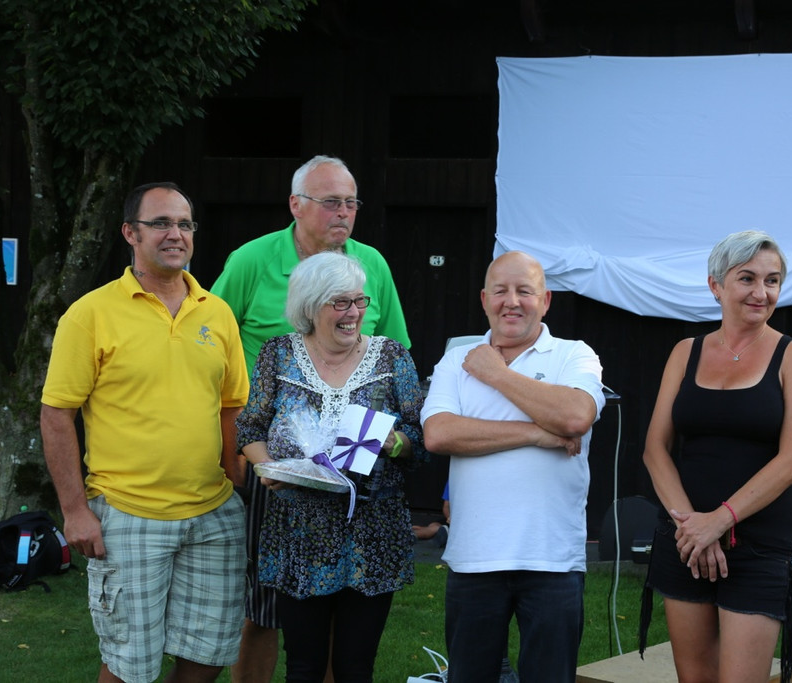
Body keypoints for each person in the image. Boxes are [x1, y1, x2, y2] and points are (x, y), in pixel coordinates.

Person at [211, 154, 411, 683]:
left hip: (360, 475)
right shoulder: (252, 261)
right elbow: (209, 342)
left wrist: (390, 439)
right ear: (296, 205)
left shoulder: (372, 264)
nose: (343, 213)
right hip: (274, 469)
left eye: (351, 202)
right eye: (331, 202)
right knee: (263, 607)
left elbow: (397, 355)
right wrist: (245, 455)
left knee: (347, 615)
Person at [40, 182, 250, 683]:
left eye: (184, 224)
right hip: (128, 513)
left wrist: (236, 480)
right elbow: (56, 414)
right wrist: (75, 510)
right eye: (160, 223)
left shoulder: (216, 311)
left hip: (212, 514)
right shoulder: (90, 314)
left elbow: (232, 407)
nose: (175, 234)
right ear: (130, 233)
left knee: (209, 656)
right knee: (128, 665)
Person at [639, 230, 792, 683]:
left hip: (756, 544)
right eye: (747, 278)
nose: (762, 292)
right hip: (685, 541)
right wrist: (691, 527)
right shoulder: (686, 352)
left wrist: (718, 522)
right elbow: (655, 449)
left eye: (772, 281)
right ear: (715, 285)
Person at [236, 251, 426, 683]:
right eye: (340, 302)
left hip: (373, 537)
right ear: (310, 306)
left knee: (355, 668)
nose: (354, 312)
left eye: (359, 301)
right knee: (303, 666)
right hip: (298, 532)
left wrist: (395, 443)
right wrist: (269, 469)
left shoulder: (391, 357)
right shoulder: (278, 354)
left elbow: (422, 437)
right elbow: (249, 428)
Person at [421, 250, 605, 683]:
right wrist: (537, 433)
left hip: (552, 559)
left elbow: (575, 416)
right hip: (474, 557)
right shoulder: (456, 361)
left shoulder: (573, 355)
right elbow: (440, 434)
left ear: (546, 301)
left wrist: (496, 373)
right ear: (484, 299)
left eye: (525, 291)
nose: (512, 301)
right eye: (501, 291)